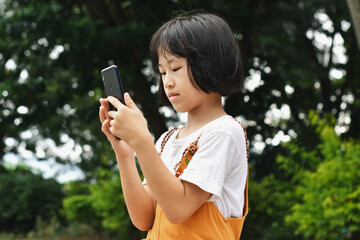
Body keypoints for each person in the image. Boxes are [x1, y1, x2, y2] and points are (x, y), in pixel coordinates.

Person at [99, 11, 249, 240]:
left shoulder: (225, 131)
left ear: (211, 64)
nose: (167, 81)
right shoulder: (167, 140)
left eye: (175, 68)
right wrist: (126, 155)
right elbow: (144, 218)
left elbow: (179, 209)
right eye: (162, 72)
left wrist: (142, 141)